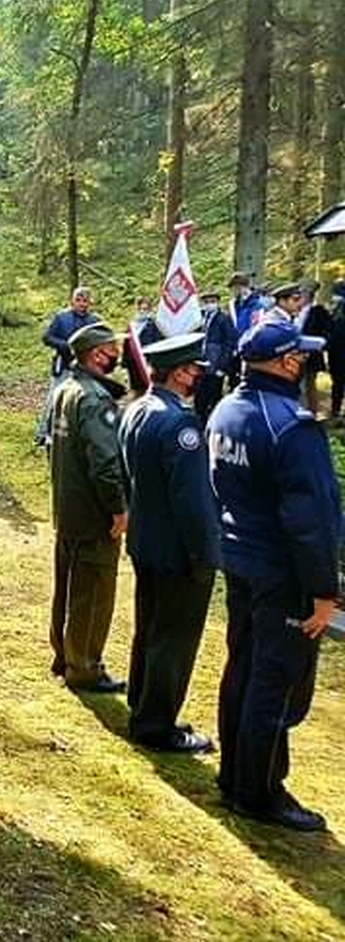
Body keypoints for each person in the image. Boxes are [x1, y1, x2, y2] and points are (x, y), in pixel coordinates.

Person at [207, 319, 339, 831]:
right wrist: (325, 591)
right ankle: (260, 793)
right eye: (300, 356)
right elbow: (312, 521)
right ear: (287, 362)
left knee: (242, 666)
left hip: (240, 559)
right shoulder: (292, 426)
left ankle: (234, 776)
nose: (305, 363)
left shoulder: (226, 409)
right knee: (274, 680)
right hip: (282, 573)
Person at [116, 333, 220, 753]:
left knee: (150, 630)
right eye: (194, 370)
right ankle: (156, 725)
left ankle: (142, 704)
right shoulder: (180, 424)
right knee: (173, 640)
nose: (198, 378)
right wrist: (204, 553)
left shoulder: (136, 409)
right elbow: (193, 501)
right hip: (177, 551)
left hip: (146, 541)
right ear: (179, 373)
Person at [48, 321, 128, 694]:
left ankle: (64, 655)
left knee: (67, 587)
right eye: (112, 350)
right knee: (93, 593)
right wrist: (118, 507)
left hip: (68, 507)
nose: (117, 357)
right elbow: (105, 461)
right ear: (97, 354)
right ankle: (84, 668)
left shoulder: (65, 389)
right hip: (93, 513)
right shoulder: (94, 398)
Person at [35, 286, 100, 446]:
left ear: (89, 303)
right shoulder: (61, 318)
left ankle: (80, 435)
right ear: (72, 301)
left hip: (86, 369)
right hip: (63, 366)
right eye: (78, 300)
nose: (82, 304)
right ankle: (43, 433)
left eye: (85, 301)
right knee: (54, 400)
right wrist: (65, 346)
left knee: (84, 402)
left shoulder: (95, 321)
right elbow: (47, 337)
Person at [196, 290, 237, 423]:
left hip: (216, 365)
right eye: (206, 302)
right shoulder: (201, 318)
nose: (209, 304)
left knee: (214, 397)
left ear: (218, 302)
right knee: (200, 397)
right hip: (202, 364)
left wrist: (222, 366)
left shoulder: (223, 319)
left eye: (212, 301)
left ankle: (214, 423)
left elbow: (230, 343)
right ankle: (201, 422)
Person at [298, 282, 330, 414]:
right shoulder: (295, 311)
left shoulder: (318, 312)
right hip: (295, 354)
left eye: (303, 294)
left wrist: (315, 348)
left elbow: (326, 334)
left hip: (311, 355)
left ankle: (311, 414)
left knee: (309, 385)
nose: (300, 297)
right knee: (299, 386)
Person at [328, 281, 345, 420]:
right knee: (337, 382)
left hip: (338, 351)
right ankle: (335, 410)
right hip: (336, 351)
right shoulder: (336, 309)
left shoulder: (337, 310)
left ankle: (336, 410)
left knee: (338, 382)